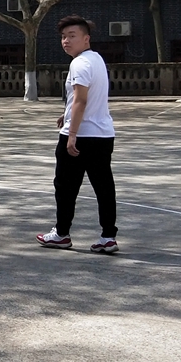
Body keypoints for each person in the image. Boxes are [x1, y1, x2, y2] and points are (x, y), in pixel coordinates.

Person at [36, 16, 118, 253]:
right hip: (103, 134)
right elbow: (83, 99)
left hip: (81, 136)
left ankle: (61, 234)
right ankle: (108, 236)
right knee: (104, 187)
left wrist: (72, 133)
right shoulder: (96, 60)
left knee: (65, 187)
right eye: (63, 37)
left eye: (72, 36)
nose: (66, 41)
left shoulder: (79, 63)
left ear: (86, 39)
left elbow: (81, 100)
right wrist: (66, 114)